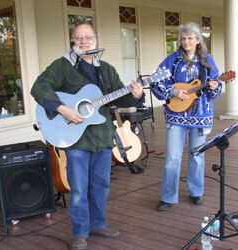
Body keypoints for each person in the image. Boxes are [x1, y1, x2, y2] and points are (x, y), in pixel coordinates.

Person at [31, 22, 144, 250]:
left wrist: (137, 95)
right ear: (73, 41)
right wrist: (63, 109)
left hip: (102, 136)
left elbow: (120, 99)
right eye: (79, 38)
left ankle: (98, 224)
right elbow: (39, 87)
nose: (84, 41)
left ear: (96, 40)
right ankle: (80, 232)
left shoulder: (107, 70)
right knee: (79, 188)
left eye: (88, 37)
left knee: (101, 184)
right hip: (76, 138)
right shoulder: (63, 66)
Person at [150, 22, 222, 211]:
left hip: (200, 115)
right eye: (183, 38)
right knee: (172, 157)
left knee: (197, 156)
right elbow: (155, 82)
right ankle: (168, 196)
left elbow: (216, 89)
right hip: (176, 115)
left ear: (198, 40)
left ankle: (196, 192)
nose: (186, 41)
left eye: (190, 38)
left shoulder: (207, 61)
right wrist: (173, 91)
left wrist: (215, 87)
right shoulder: (172, 60)